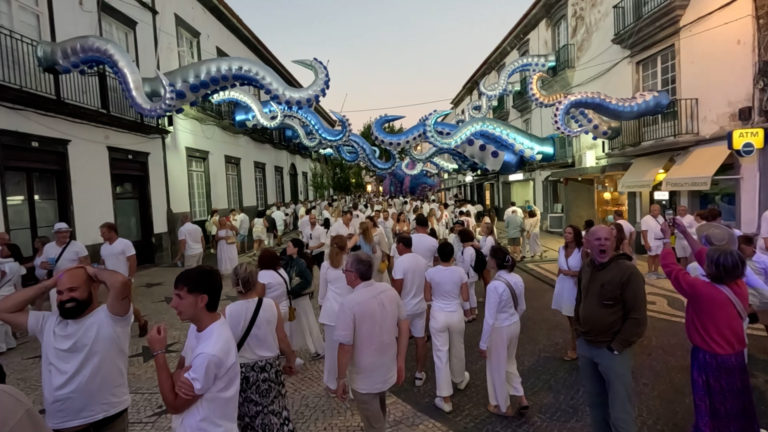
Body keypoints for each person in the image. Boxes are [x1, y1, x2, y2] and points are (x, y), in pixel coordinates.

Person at [0, 265, 132, 431]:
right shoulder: (47, 322)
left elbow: (120, 282)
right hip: (61, 424)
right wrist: (48, 284)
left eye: (73, 290)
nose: (65, 297)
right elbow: (3, 308)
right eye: (60, 292)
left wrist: (92, 272)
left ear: (93, 287)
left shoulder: (111, 317)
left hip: (105, 420)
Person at [661, 218, 760, 430]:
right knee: (735, 402)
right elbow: (705, 256)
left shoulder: (701, 290)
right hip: (734, 356)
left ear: (713, 267)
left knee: (709, 403)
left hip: (709, 357)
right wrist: (685, 234)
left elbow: (671, 268)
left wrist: (665, 242)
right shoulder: (738, 284)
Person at [147, 266, 239, 431]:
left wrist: (159, 352)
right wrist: (177, 377)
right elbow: (181, 367)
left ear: (202, 300)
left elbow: (174, 405)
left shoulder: (210, 352)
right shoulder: (198, 326)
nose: (173, 304)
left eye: (180, 297)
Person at [575, 225, 647, 432]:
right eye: (597, 240)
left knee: (620, 411)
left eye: (607, 239)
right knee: (596, 405)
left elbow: (637, 317)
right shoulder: (587, 267)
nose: (603, 243)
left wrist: (617, 346)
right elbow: (579, 299)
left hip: (613, 351)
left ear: (614, 242)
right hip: (586, 346)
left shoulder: (628, 272)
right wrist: (579, 333)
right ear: (588, 243)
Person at [335, 252, 409, 432]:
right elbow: (404, 325)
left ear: (353, 274)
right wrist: (400, 360)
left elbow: (345, 346)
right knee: (378, 412)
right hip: (386, 366)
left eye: (345, 270)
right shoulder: (389, 290)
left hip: (364, 377)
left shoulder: (349, 303)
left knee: (375, 425)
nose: (343, 273)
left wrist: (340, 378)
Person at [226, 263, 296, 432]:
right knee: (275, 414)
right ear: (257, 281)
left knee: (246, 418)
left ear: (234, 284)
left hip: (242, 373)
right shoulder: (271, 305)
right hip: (269, 371)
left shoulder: (227, 312)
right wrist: (290, 360)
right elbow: (282, 338)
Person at [480, 245, 528, 417]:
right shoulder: (517, 278)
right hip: (514, 323)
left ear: (494, 261)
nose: (487, 260)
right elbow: (522, 306)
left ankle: (503, 406)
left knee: (497, 367)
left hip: (500, 328)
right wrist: (513, 319)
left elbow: (489, 318)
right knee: (509, 362)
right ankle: (521, 398)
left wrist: (483, 343)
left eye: (489, 257)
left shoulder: (494, 286)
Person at [425, 242, 471, 413]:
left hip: (438, 314)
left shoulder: (430, 273)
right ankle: (459, 379)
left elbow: (427, 296)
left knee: (440, 354)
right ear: (453, 256)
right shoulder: (459, 272)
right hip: (456, 314)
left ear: (438, 255)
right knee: (458, 348)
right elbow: (465, 297)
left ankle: (445, 399)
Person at [391, 234, 429, 386]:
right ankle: (419, 373)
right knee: (421, 340)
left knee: (399, 341)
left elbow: (398, 286)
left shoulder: (400, 263)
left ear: (401, 245)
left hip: (404, 308)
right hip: (420, 306)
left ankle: (396, 371)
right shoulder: (422, 261)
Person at [318, 235, 354, 395]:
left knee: (332, 351)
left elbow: (322, 293)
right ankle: (353, 384)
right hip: (351, 310)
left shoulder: (326, 266)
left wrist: (321, 306)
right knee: (352, 349)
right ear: (346, 247)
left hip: (331, 311)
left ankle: (333, 384)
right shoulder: (352, 263)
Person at [99, 222, 148, 338]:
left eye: (103, 232)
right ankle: (120, 327)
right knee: (113, 306)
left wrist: (130, 277)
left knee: (127, 305)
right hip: (110, 282)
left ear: (112, 231)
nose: (101, 235)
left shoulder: (125, 243)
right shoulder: (103, 247)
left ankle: (141, 321)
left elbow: (132, 261)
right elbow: (104, 263)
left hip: (124, 280)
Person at [282, 238, 324, 360]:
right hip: (294, 300)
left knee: (308, 323)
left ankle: (317, 349)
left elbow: (307, 280)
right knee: (295, 324)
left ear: (296, 249)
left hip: (300, 299)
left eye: (289, 246)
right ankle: (297, 348)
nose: (287, 248)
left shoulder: (300, 263)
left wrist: (293, 290)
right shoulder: (291, 262)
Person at [552, 225, 583, 361]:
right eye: (565, 232)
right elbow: (560, 267)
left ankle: (575, 348)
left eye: (569, 233)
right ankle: (577, 346)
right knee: (570, 320)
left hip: (575, 287)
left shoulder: (582, 251)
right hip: (564, 286)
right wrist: (557, 281)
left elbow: (588, 271)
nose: (566, 235)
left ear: (575, 235)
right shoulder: (561, 249)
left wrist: (572, 273)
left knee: (575, 320)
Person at [458, 228, 480, 321]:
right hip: (472, 274)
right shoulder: (471, 248)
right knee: (471, 292)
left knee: (464, 294)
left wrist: (462, 273)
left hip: (467, 274)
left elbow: (466, 264)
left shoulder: (467, 249)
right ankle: (473, 311)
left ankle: (468, 314)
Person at [640, 204, 665, 279]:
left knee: (658, 256)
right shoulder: (645, 219)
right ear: (651, 210)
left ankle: (656, 271)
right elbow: (644, 231)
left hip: (660, 240)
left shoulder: (661, 217)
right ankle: (650, 272)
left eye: (658, 210)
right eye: (655, 210)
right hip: (651, 241)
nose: (657, 212)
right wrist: (646, 243)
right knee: (651, 256)